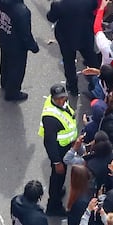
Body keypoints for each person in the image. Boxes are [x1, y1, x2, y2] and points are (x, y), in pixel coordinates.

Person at [0, 0, 40, 101]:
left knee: (5, 61)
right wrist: (33, 46)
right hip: (16, 46)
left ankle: (4, 82)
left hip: (3, 37)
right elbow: (25, 34)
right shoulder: (22, 12)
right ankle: (12, 92)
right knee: (17, 69)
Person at [39, 83, 79, 216]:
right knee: (58, 176)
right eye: (58, 99)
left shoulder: (60, 104)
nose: (61, 101)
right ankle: (53, 205)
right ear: (53, 98)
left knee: (60, 175)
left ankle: (57, 192)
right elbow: (49, 142)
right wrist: (57, 162)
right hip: (58, 150)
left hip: (65, 146)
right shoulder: (50, 118)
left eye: (63, 97)